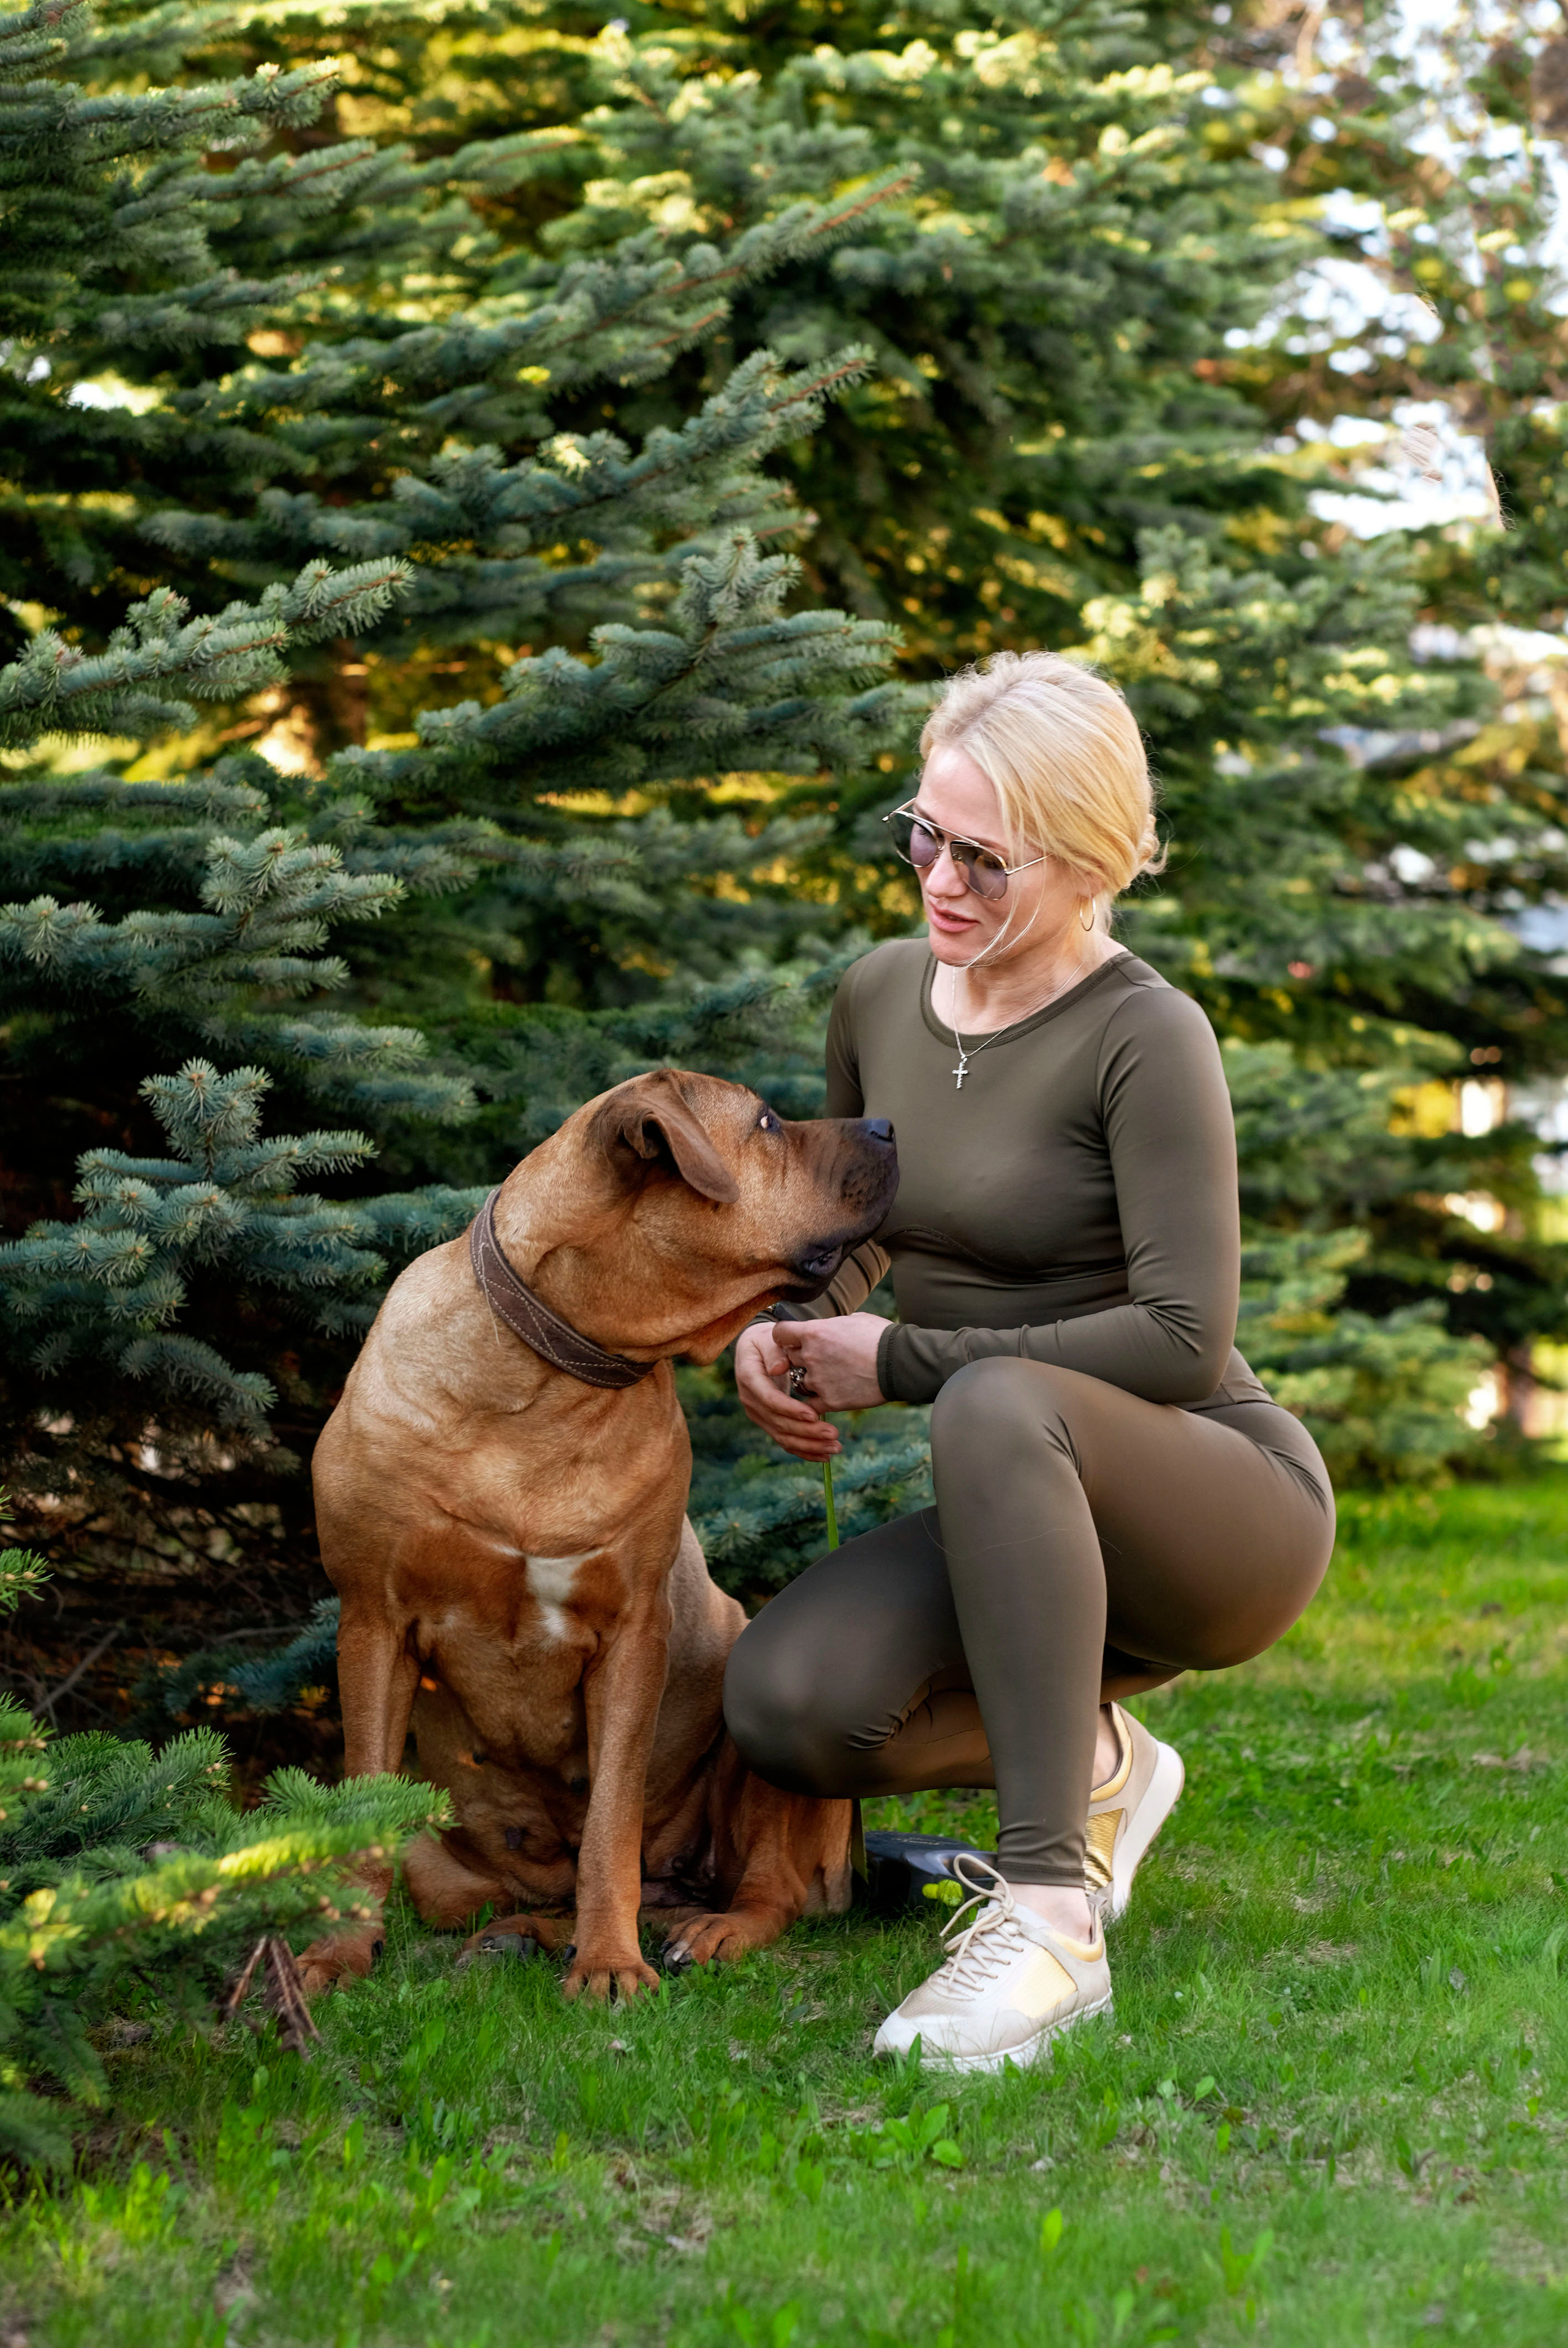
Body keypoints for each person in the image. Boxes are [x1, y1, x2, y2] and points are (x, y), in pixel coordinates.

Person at [722, 650, 1335, 2075]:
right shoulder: (878, 995)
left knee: (993, 1400)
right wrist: (785, 1331)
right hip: (1018, 1484)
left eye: (983, 861)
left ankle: (1051, 1918)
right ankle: (1110, 1769)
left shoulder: (1142, 1034)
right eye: (921, 836)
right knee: (787, 1703)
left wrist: (911, 1359)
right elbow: (859, 1239)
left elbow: (1183, 1341)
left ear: (1084, 859)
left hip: (1213, 1502)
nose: (940, 883)